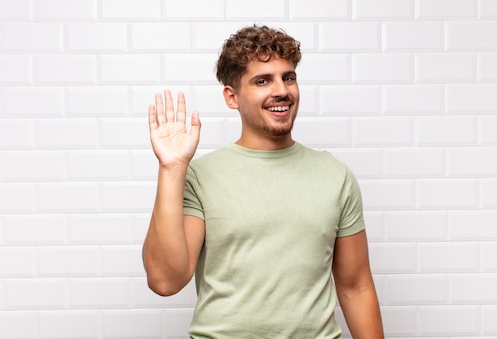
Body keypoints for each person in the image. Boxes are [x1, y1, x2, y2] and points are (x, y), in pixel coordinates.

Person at [143, 25, 384, 338]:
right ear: (232, 97)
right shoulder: (200, 177)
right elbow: (165, 281)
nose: (281, 90)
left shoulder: (335, 176)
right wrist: (172, 168)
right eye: (262, 80)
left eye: (288, 77)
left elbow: (356, 287)